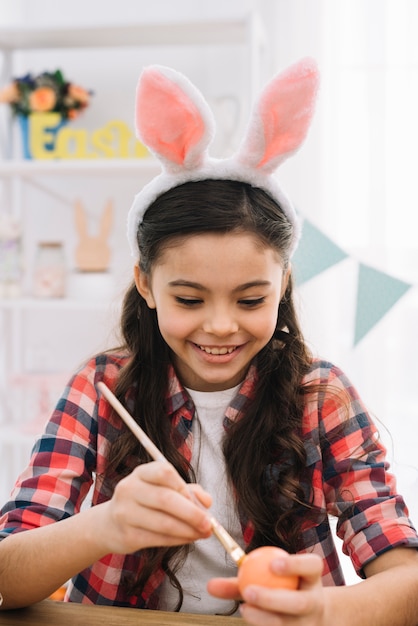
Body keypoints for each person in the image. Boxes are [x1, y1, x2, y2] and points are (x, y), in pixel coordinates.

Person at [1, 60, 418, 626]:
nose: (221, 326)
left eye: (250, 300)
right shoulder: (101, 388)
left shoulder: (321, 396)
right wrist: (105, 525)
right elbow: (8, 577)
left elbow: (407, 580)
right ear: (146, 284)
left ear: (283, 285)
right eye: (191, 300)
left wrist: (320, 609)